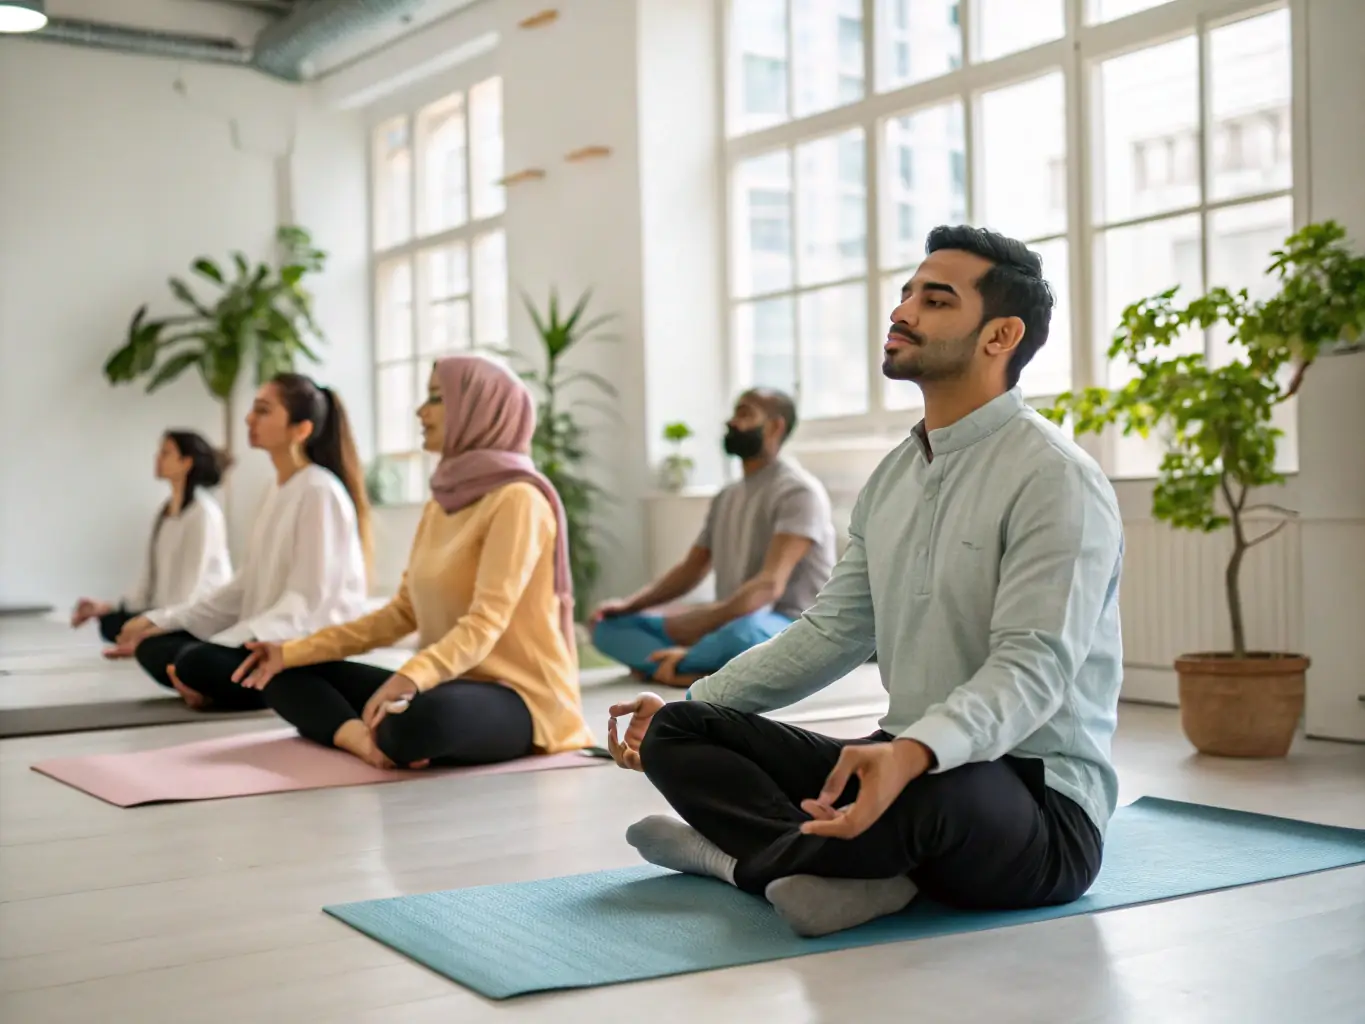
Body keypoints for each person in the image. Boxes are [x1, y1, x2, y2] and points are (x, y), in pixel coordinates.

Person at [606, 225, 1124, 940]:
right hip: (897, 759)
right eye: (905, 293)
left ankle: (727, 863)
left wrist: (912, 754)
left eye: (934, 300)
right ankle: (849, 870)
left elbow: (1031, 669)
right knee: (682, 732)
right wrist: (687, 704)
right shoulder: (894, 476)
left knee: (939, 793)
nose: (901, 311)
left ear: (1000, 335)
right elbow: (830, 633)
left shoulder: (1056, 479)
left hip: (1034, 803)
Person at [229, 355, 594, 770]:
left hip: (521, 696)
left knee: (418, 721)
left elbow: (485, 621)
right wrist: (293, 651)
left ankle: (380, 734)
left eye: (437, 398)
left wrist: (410, 678)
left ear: (480, 411)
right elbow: (401, 613)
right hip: (450, 682)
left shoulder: (519, 500)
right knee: (282, 675)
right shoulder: (441, 504)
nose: (421, 411)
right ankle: (361, 742)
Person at [115, 374, 371, 711]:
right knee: (155, 646)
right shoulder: (274, 490)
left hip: (297, 648)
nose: (249, 419)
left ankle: (239, 685)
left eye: (263, 411)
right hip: (259, 637)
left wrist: (225, 641)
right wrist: (165, 619)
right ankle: (212, 682)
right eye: (253, 410)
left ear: (301, 429)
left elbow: (306, 602)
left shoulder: (320, 492)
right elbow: (245, 585)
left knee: (196, 661)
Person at [591, 388, 836, 687]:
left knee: (742, 636)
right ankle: (691, 666)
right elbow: (691, 569)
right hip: (728, 621)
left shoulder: (798, 492)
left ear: (775, 427)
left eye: (745, 414)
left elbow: (769, 585)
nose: (731, 422)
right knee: (607, 628)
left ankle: (681, 663)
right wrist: (629, 605)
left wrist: (707, 619)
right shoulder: (726, 496)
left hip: (785, 624)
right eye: (734, 413)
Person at [70, 430, 233, 643]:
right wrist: (109, 607)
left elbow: (189, 594)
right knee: (110, 623)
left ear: (186, 462)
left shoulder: (204, 514)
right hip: (165, 611)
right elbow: (147, 582)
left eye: (165, 452)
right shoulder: (164, 513)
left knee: (144, 637)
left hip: (195, 616)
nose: (157, 458)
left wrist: (156, 623)